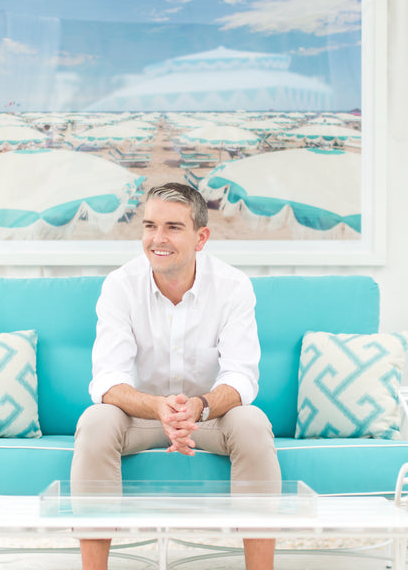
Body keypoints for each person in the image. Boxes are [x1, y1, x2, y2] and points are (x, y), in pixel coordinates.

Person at [71, 182, 281, 570]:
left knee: (252, 422)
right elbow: (107, 379)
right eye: (150, 226)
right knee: (95, 419)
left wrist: (198, 408)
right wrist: (158, 408)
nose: (157, 239)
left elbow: (241, 377)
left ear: (201, 237)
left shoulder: (234, 287)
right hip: (143, 416)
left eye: (172, 227)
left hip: (209, 418)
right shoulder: (120, 285)